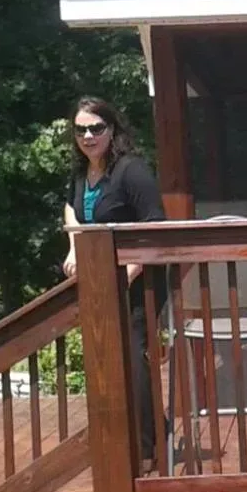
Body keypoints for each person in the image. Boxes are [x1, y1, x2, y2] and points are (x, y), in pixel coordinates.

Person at [62, 96, 165, 465]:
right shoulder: (81, 173)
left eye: (96, 128)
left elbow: (155, 225)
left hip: (140, 279)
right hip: (102, 280)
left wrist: (127, 273)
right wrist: (75, 247)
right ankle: (153, 429)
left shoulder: (131, 170)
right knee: (107, 353)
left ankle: (146, 450)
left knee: (130, 353)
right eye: (81, 129)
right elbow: (71, 208)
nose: (88, 136)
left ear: (112, 129)